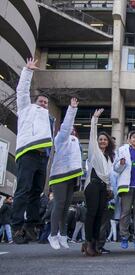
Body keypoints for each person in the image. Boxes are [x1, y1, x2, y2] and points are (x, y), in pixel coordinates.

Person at [12, 58, 54, 244]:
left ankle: (31, 226)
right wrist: (27, 71)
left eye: (46, 102)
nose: (44, 104)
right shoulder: (26, 109)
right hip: (27, 153)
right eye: (41, 101)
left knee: (36, 192)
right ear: (35, 102)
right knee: (23, 190)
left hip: (42, 157)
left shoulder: (48, 118)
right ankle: (17, 227)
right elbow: (21, 91)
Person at [47, 98, 82, 249]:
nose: (70, 128)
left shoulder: (75, 140)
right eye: (68, 127)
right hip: (60, 175)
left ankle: (62, 235)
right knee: (59, 204)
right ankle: (52, 234)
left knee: (66, 207)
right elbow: (66, 126)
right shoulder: (60, 138)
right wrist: (72, 110)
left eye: (73, 128)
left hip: (72, 176)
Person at [82, 109, 114, 256]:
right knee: (92, 214)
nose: (102, 141)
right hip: (93, 185)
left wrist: (109, 188)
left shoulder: (109, 158)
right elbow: (92, 135)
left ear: (108, 143)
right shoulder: (94, 151)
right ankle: (88, 243)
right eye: (100, 139)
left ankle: (93, 243)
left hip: (103, 188)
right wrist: (94, 119)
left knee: (100, 216)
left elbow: (109, 176)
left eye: (105, 140)